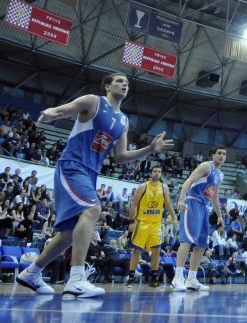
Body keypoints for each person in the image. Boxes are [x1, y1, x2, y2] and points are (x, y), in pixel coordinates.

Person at [16, 73, 173, 298]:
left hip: (91, 173)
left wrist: (149, 149)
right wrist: (52, 113)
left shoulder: (124, 121)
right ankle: (77, 278)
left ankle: (32, 272)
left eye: (127, 83)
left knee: (68, 235)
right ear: (108, 85)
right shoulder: (94, 101)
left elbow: (120, 157)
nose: (125, 84)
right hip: (73, 165)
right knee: (93, 208)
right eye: (120, 81)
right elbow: (65, 109)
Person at [171, 146, 226, 292]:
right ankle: (177, 278)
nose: (222, 156)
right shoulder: (206, 166)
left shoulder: (220, 175)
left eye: (224, 154)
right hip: (193, 202)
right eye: (219, 153)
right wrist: (181, 200)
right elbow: (188, 181)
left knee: (201, 245)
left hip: (204, 207)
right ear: (213, 155)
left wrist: (219, 215)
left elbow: (214, 196)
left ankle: (192, 279)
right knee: (187, 241)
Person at [126, 165, 177, 288]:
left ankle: (154, 279)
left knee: (156, 252)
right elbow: (134, 205)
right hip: (142, 223)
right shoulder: (143, 187)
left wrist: (174, 218)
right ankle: (131, 278)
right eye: (155, 171)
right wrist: (131, 222)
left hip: (156, 224)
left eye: (159, 171)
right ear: (150, 173)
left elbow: (168, 204)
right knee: (136, 251)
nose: (157, 173)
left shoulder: (164, 188)